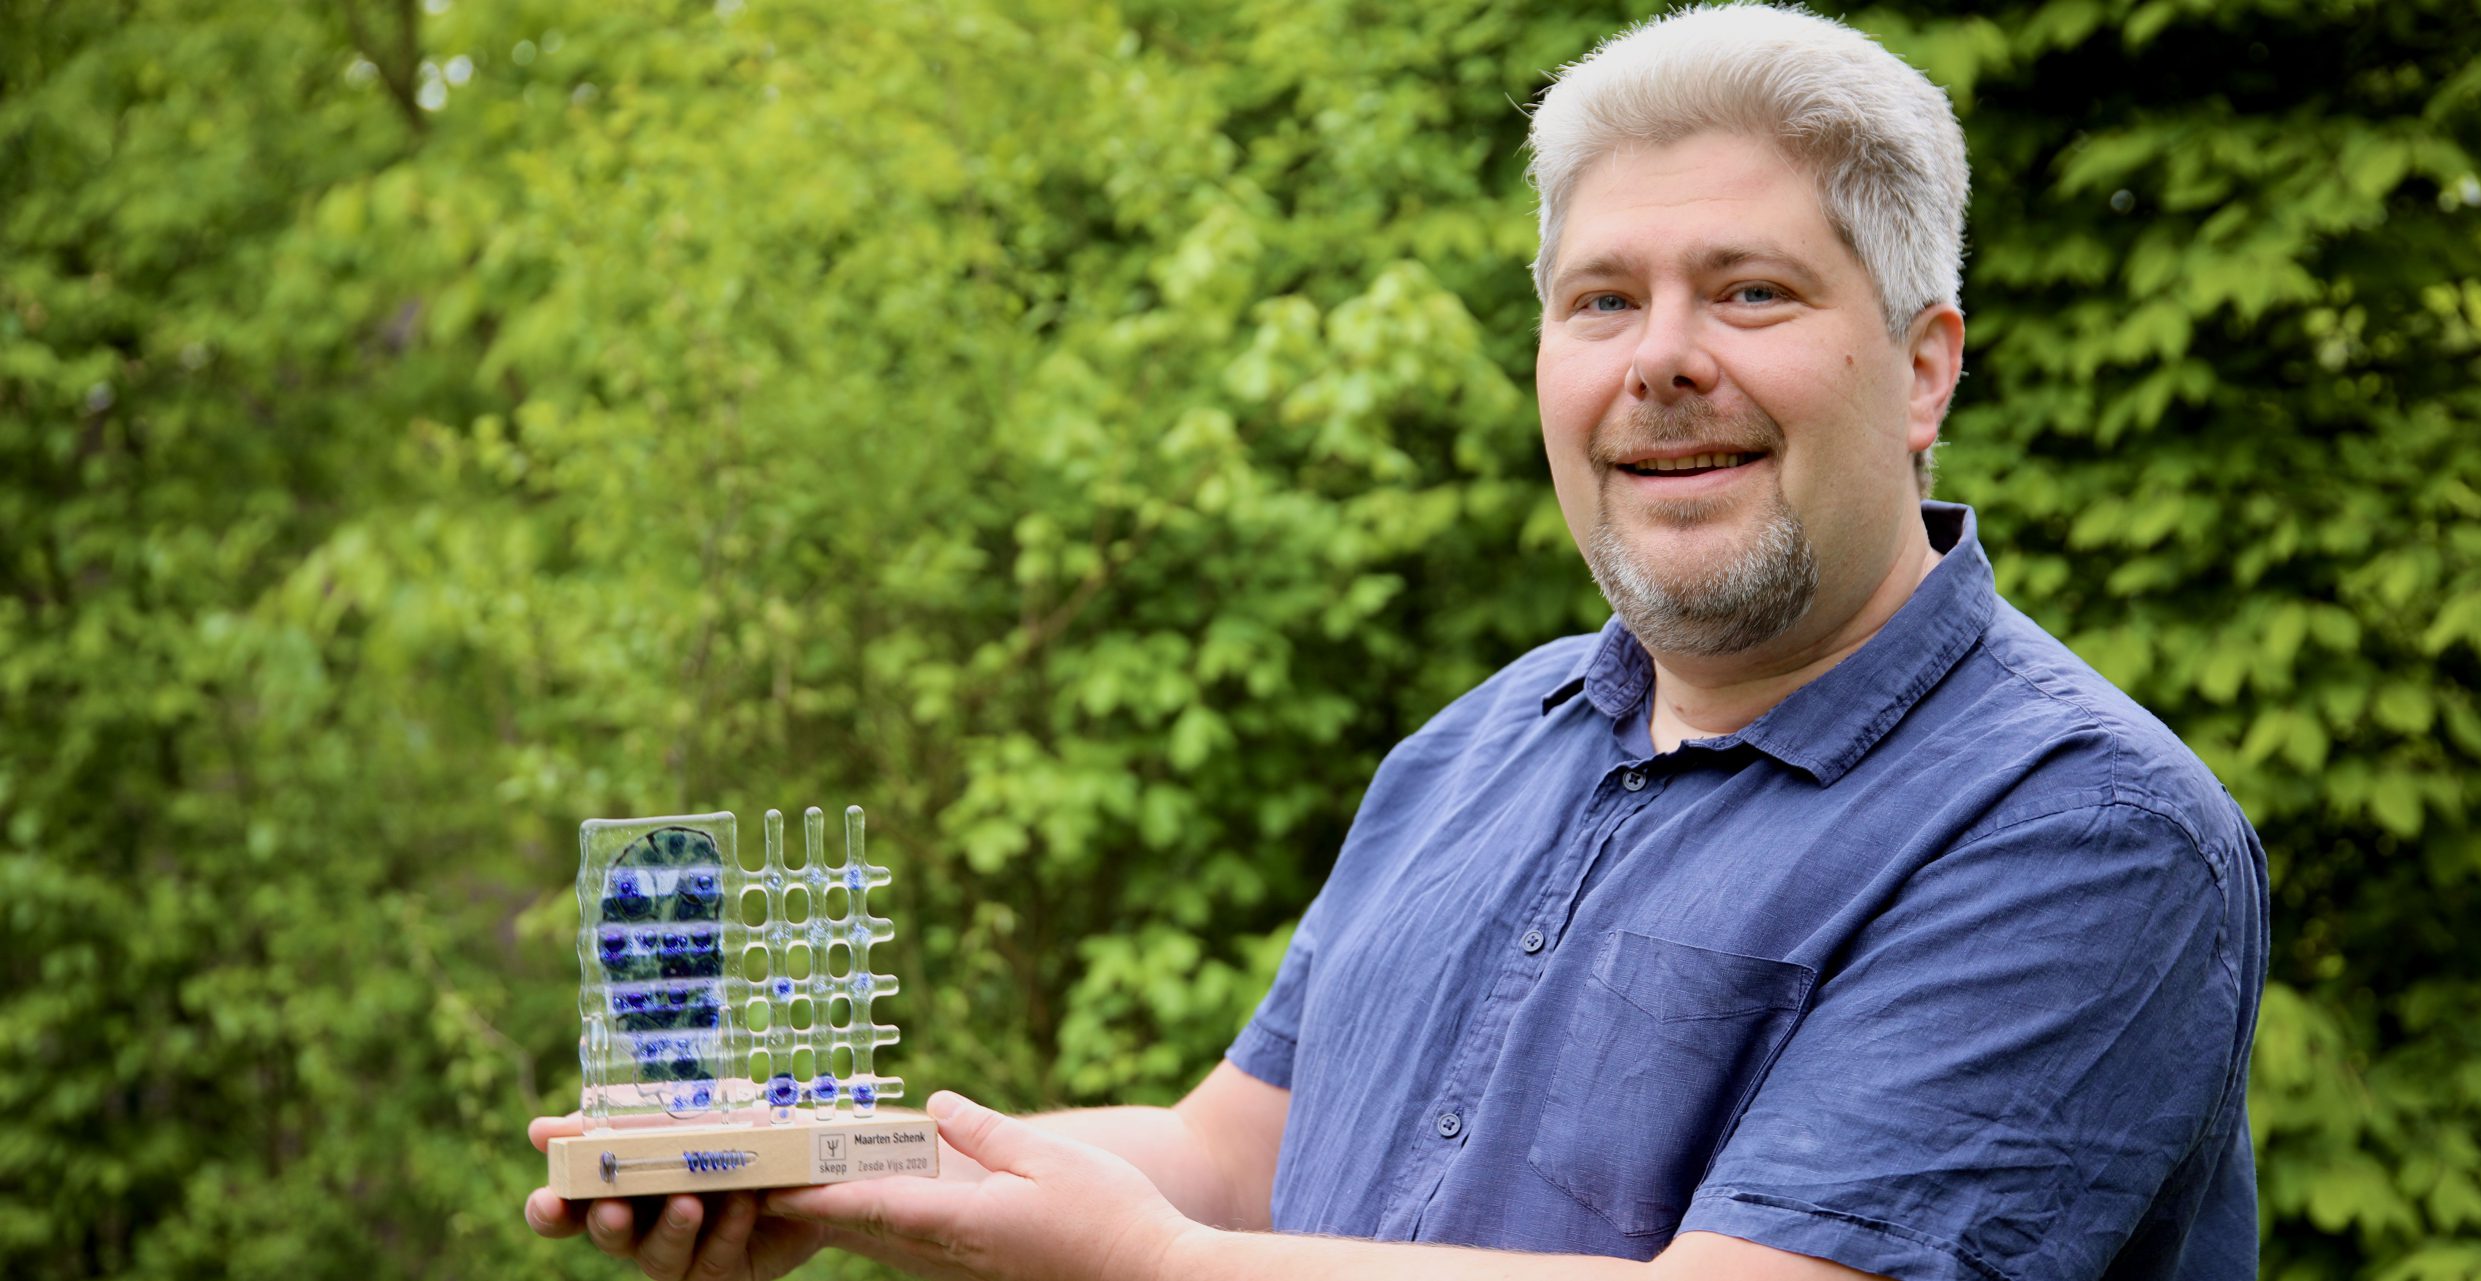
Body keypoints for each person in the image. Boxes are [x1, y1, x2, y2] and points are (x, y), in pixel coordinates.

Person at [525, 4, 2268, 1278]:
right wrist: (835, 1170)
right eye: (1602, 300)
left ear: (1923, 365)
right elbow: (1228, 1154)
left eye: (1749, 289)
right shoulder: (1477, 748)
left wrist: (1143, 1269)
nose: (1660, 358)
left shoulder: (2082, 828)